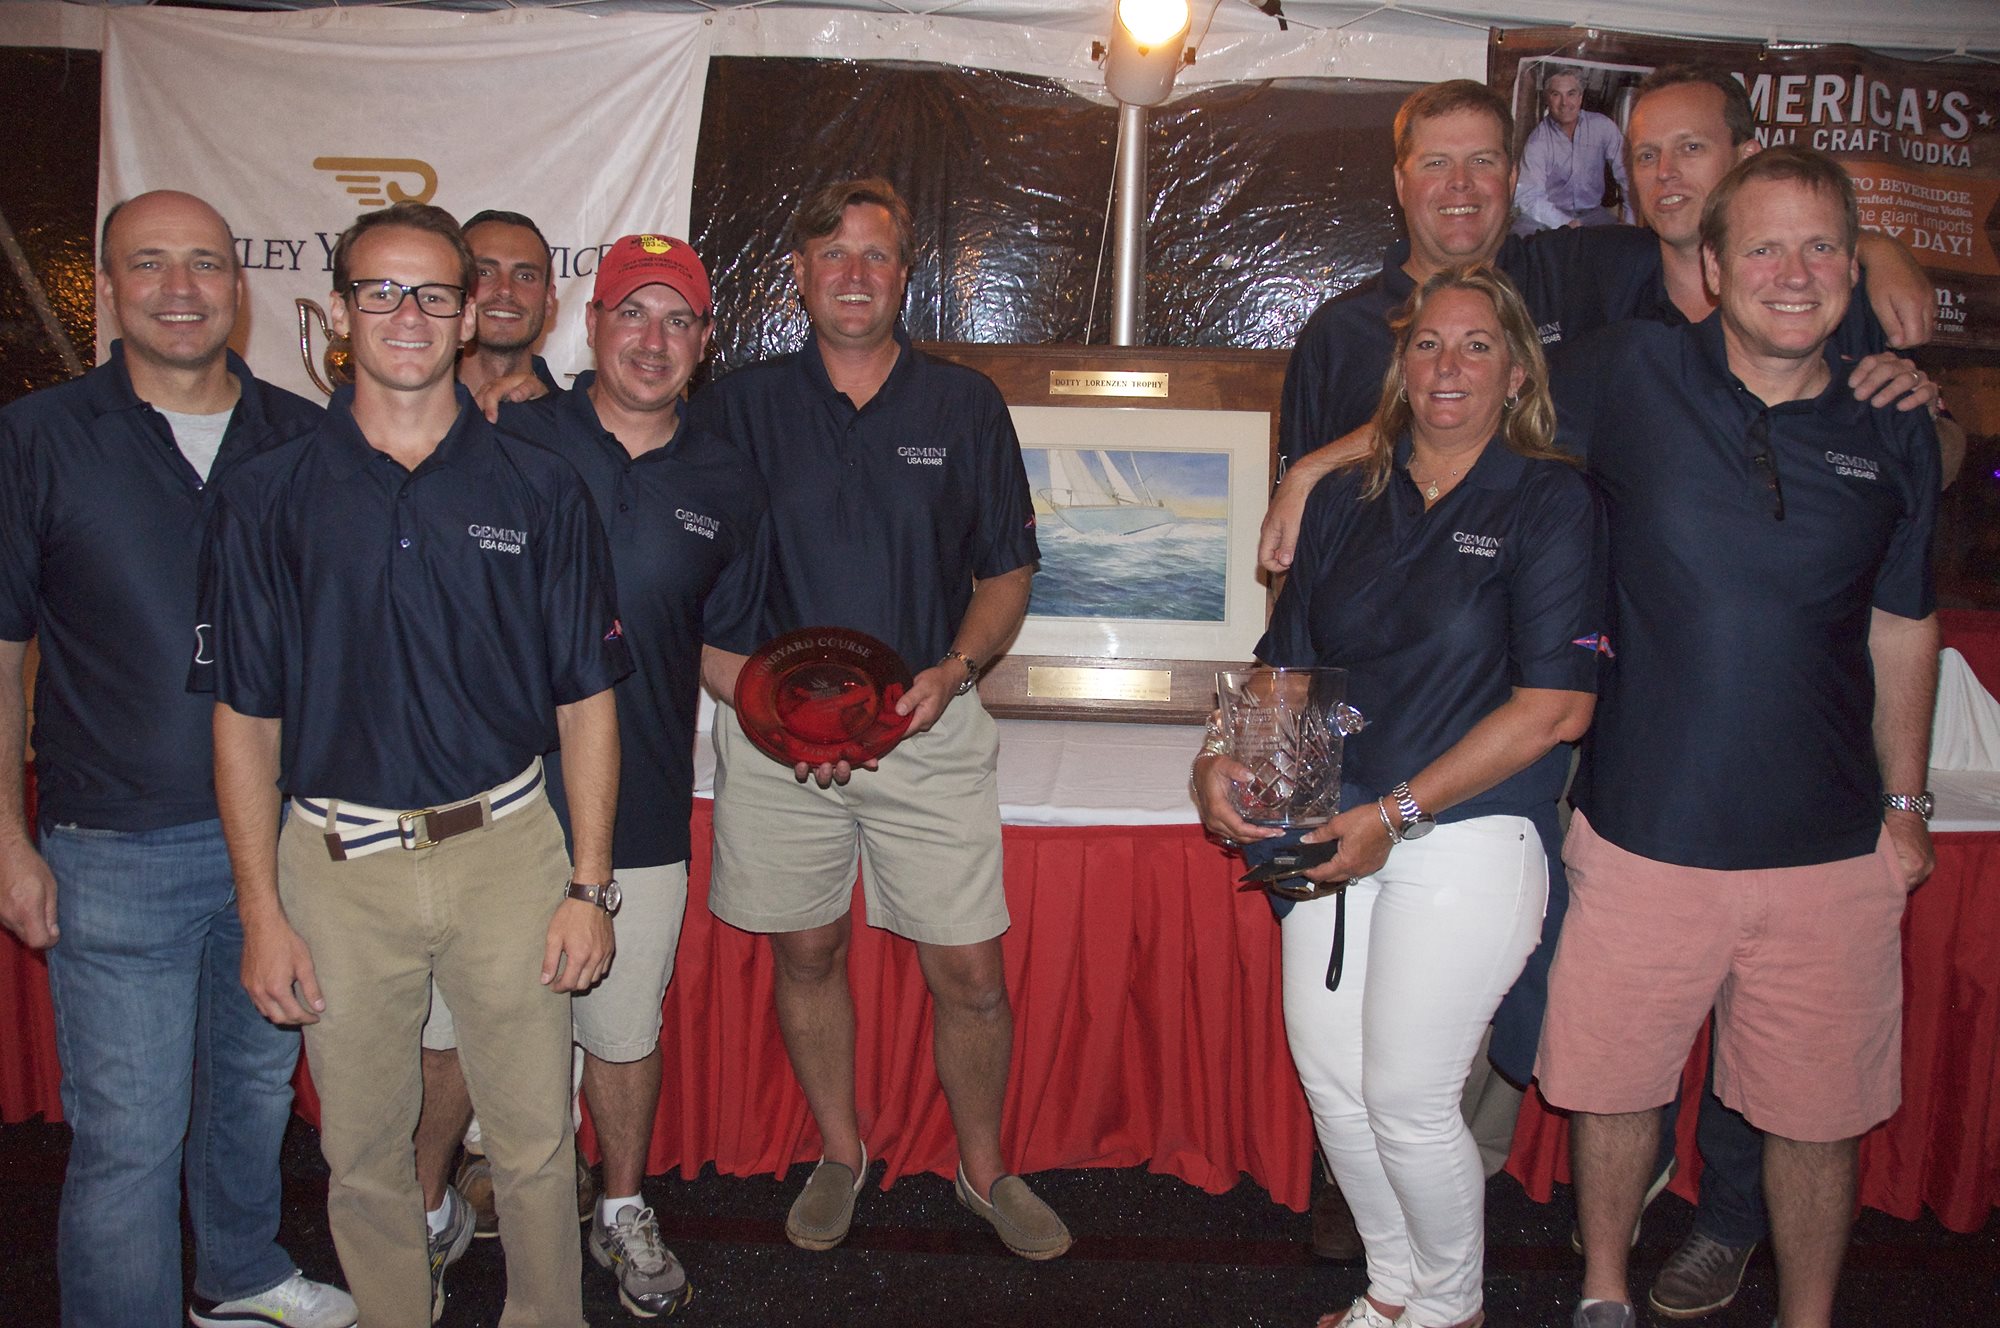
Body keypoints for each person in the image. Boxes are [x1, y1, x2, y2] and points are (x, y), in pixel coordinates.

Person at [201, 200, 631, 1328]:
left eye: (433, 293)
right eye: (381, 290)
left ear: (468, 314)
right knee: (361, 1155)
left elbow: (586, 698)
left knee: (534, 1143)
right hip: (336, 868)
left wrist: (588, 886)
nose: (407, 313)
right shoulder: (265, 496)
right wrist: (261, 910)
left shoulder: (540, 488)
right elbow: (244, 717)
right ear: (340, 311)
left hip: (507, 852)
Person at [1536, 147, 1940, 1328]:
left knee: (1817, 1119)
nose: (1791, 273)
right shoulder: (1628, 370)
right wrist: (1311, 471)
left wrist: (1904, 806)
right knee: (1614, 1089)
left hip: (1828, 852)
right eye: (1761, 247)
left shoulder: (1893, 424)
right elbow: (1454, 404)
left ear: (1849, 269)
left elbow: (1903, 626)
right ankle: (1602, 1291)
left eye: (1819, 247)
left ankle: (1805, 1317)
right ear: (1710, 268)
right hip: (1642, 834)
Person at [1195, 263, 1603, 1328]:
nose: (1447, 365)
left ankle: (1451, 1307)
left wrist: (1395, 815)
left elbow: (1556, 708)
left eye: (1476, 345)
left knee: (1410, 1098)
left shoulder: (1550, 499)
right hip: (1333, 828)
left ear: (1517, 373)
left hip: (1465, 834)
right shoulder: (1343, 499)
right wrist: (1220, 758)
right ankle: (1392, 1293)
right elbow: (1285, 669)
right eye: (1427, 343)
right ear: (1399, 368)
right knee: (1335, 1087)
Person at [689, 176, 1064, 1260]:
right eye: (833, 253)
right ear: (798, 273)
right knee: (807, 951)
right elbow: (692, 583)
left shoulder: (963, 405)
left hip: (925, 729)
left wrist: (954, 669)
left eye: (876, 254)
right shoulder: (736, 409)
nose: (854, 274)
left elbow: (1006, 574)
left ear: (906, 274)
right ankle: (841, 1151)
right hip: (776, 743)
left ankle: (983, 1169)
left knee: (971, 973)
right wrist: (767, 711)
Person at [0, 190, 355, 1328]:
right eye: (149, 264)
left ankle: (236, 1276)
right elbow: (3, 650)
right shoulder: (37, 438)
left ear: (238, 288)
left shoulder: (306, 436)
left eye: (203, 263)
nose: (180, 287)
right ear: (108, 287)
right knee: (130, 1136)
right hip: (115, 847)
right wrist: (6, 837)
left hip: (286, 841)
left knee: (253, 1091)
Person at [417, 232, 768, 1319]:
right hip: (491, 798)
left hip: (641, 809)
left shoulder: (725, 478)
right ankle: (423, 1208)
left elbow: (722, 649)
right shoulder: (508, 435)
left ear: (703, 340)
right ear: (594, 322)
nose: (653, 340)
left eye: (678, 320)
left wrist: (800, 715)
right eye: (633, 313)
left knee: (621, 1031)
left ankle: (621, 1205)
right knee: (452, 1032)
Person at [1266, 78, 1938, 576]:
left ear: (1515, 176)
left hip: (1554, 640)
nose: (1461, 184)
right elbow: (1291, 542)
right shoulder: (1337, 334)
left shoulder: (1583, 269)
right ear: (1401, 180)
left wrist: (1869, 249)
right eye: (1436, 163)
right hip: (1385, 641)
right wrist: (1306, 478)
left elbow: (1722, 236)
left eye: (1484, 161)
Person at [1513, 66, 1630, 235]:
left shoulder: (1602, 126)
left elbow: (1628, 174)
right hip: (1548, 216)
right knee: (1519, 239)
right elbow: (1528, 195)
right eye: (1556, 94)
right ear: (1547, 98)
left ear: (1580, 97)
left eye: (1571, 94)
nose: (1564, 103)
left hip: (1593, 215)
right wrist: (1565, 223)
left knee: (1625, 240)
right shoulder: (1537, 141)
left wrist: (1629, 220)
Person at [458, 209, 562, 397]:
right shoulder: (407, 406)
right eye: (484, 272)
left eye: (525, 276)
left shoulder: (575, 414)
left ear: (548, 300)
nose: (505, 289)